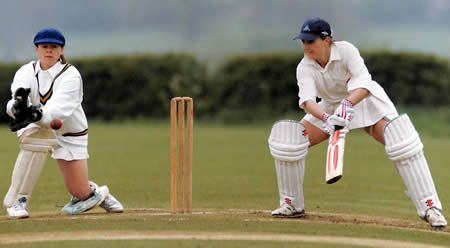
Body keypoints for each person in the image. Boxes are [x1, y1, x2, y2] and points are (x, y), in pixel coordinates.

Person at [267, 18, 447, 228]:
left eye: (311, 41)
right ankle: (291, 205)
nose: (306, 46)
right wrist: (327, 119)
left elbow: (364, 84)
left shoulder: (346, 51)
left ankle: (430, 207)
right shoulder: (304, 66)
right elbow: (307, 101)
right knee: (288, 138)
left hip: (363, 101)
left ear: (326, 40)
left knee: (402, 140)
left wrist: (347, 104)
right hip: (329, 107)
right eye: (303, 42)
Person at [4, 28, 123, 219]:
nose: (49, 51)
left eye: (54, 47)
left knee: (79, 191)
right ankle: (17, 201)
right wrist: (16, 107)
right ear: (37, 50)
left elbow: (58, 111)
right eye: (44, 47)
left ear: (61, 51)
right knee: (36, 141)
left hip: (70, 131)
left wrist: (35, 114)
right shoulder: (26, 72)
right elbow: (16, 97)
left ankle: (94, 194)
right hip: (37, 127)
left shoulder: (71, 75)